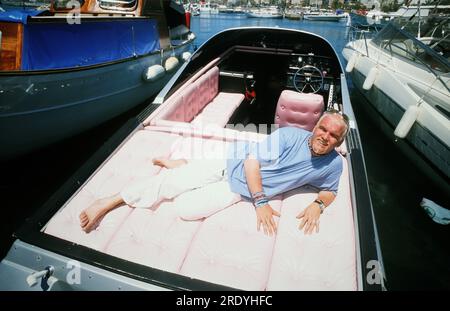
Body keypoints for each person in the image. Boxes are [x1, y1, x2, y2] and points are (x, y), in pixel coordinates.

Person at [80, 110, 349, 236]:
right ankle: (110, 200)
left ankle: (183, 165)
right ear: (315, 127)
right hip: (233, 160)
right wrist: (262, 202)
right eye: (322, 129)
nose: (325, 136)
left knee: (185, 209)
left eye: (333, 135)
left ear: (339, 141)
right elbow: (251, 163)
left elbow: (329, 190)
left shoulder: (333, 165)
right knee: (170, 186)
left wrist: (318, 204)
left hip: (237, 188)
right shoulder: (290, 135)